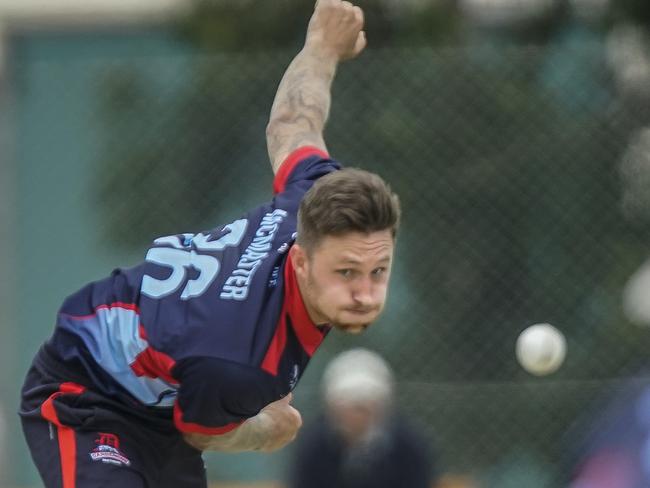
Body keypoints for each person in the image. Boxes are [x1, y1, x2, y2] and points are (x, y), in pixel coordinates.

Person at [18, 1, 401, 487]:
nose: (365, 294)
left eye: (378, 271)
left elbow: (292, 125)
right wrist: (268, 430)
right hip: (88, 393)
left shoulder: (311, 203)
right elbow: (202, 433)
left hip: (168, 397)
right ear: (301, 262)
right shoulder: (241, 359)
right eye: (345, 273)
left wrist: (321, 47)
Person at [289, 348, 437, 488]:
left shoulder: (407, 446)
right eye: (346, 406)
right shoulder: (314, 446)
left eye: (361, 407)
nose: (354, 417)